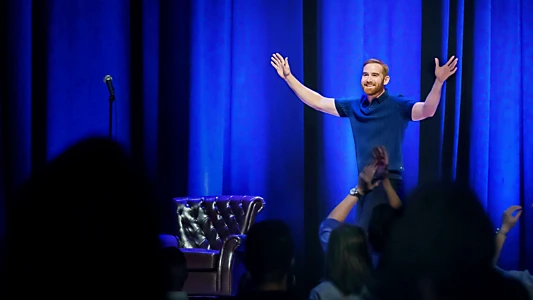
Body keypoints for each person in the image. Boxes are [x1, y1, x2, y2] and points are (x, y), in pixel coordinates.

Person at [270, 53, 458, 230]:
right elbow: (318, 102)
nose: (368, 79)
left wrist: (439, 81)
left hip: (389, 183)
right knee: (363, 241)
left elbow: (427, 110)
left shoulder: (396, 105)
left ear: (385, 80)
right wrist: (288, 78)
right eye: (365, 74)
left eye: (374, 75)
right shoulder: (354, 106)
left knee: (382, 241)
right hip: (364, 185)